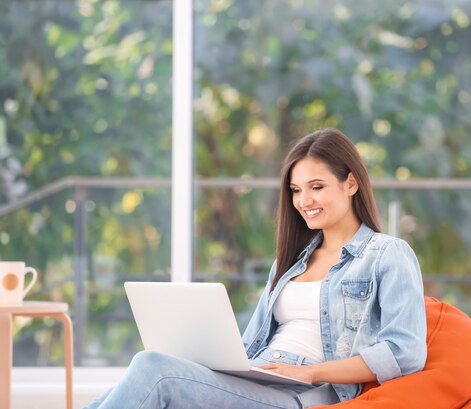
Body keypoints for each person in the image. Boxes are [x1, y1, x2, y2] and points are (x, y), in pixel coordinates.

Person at [84, 128, 427, 409]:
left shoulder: (387, 254)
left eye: (316, 187)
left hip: (304, 392)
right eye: (296, 190)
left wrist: (311, 373)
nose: (304, 202)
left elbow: (404, 351)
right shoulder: (291, 261)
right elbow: (250, 343)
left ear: (350, 183)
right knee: (118, 390)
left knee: (152, 368)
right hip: (260, 375)